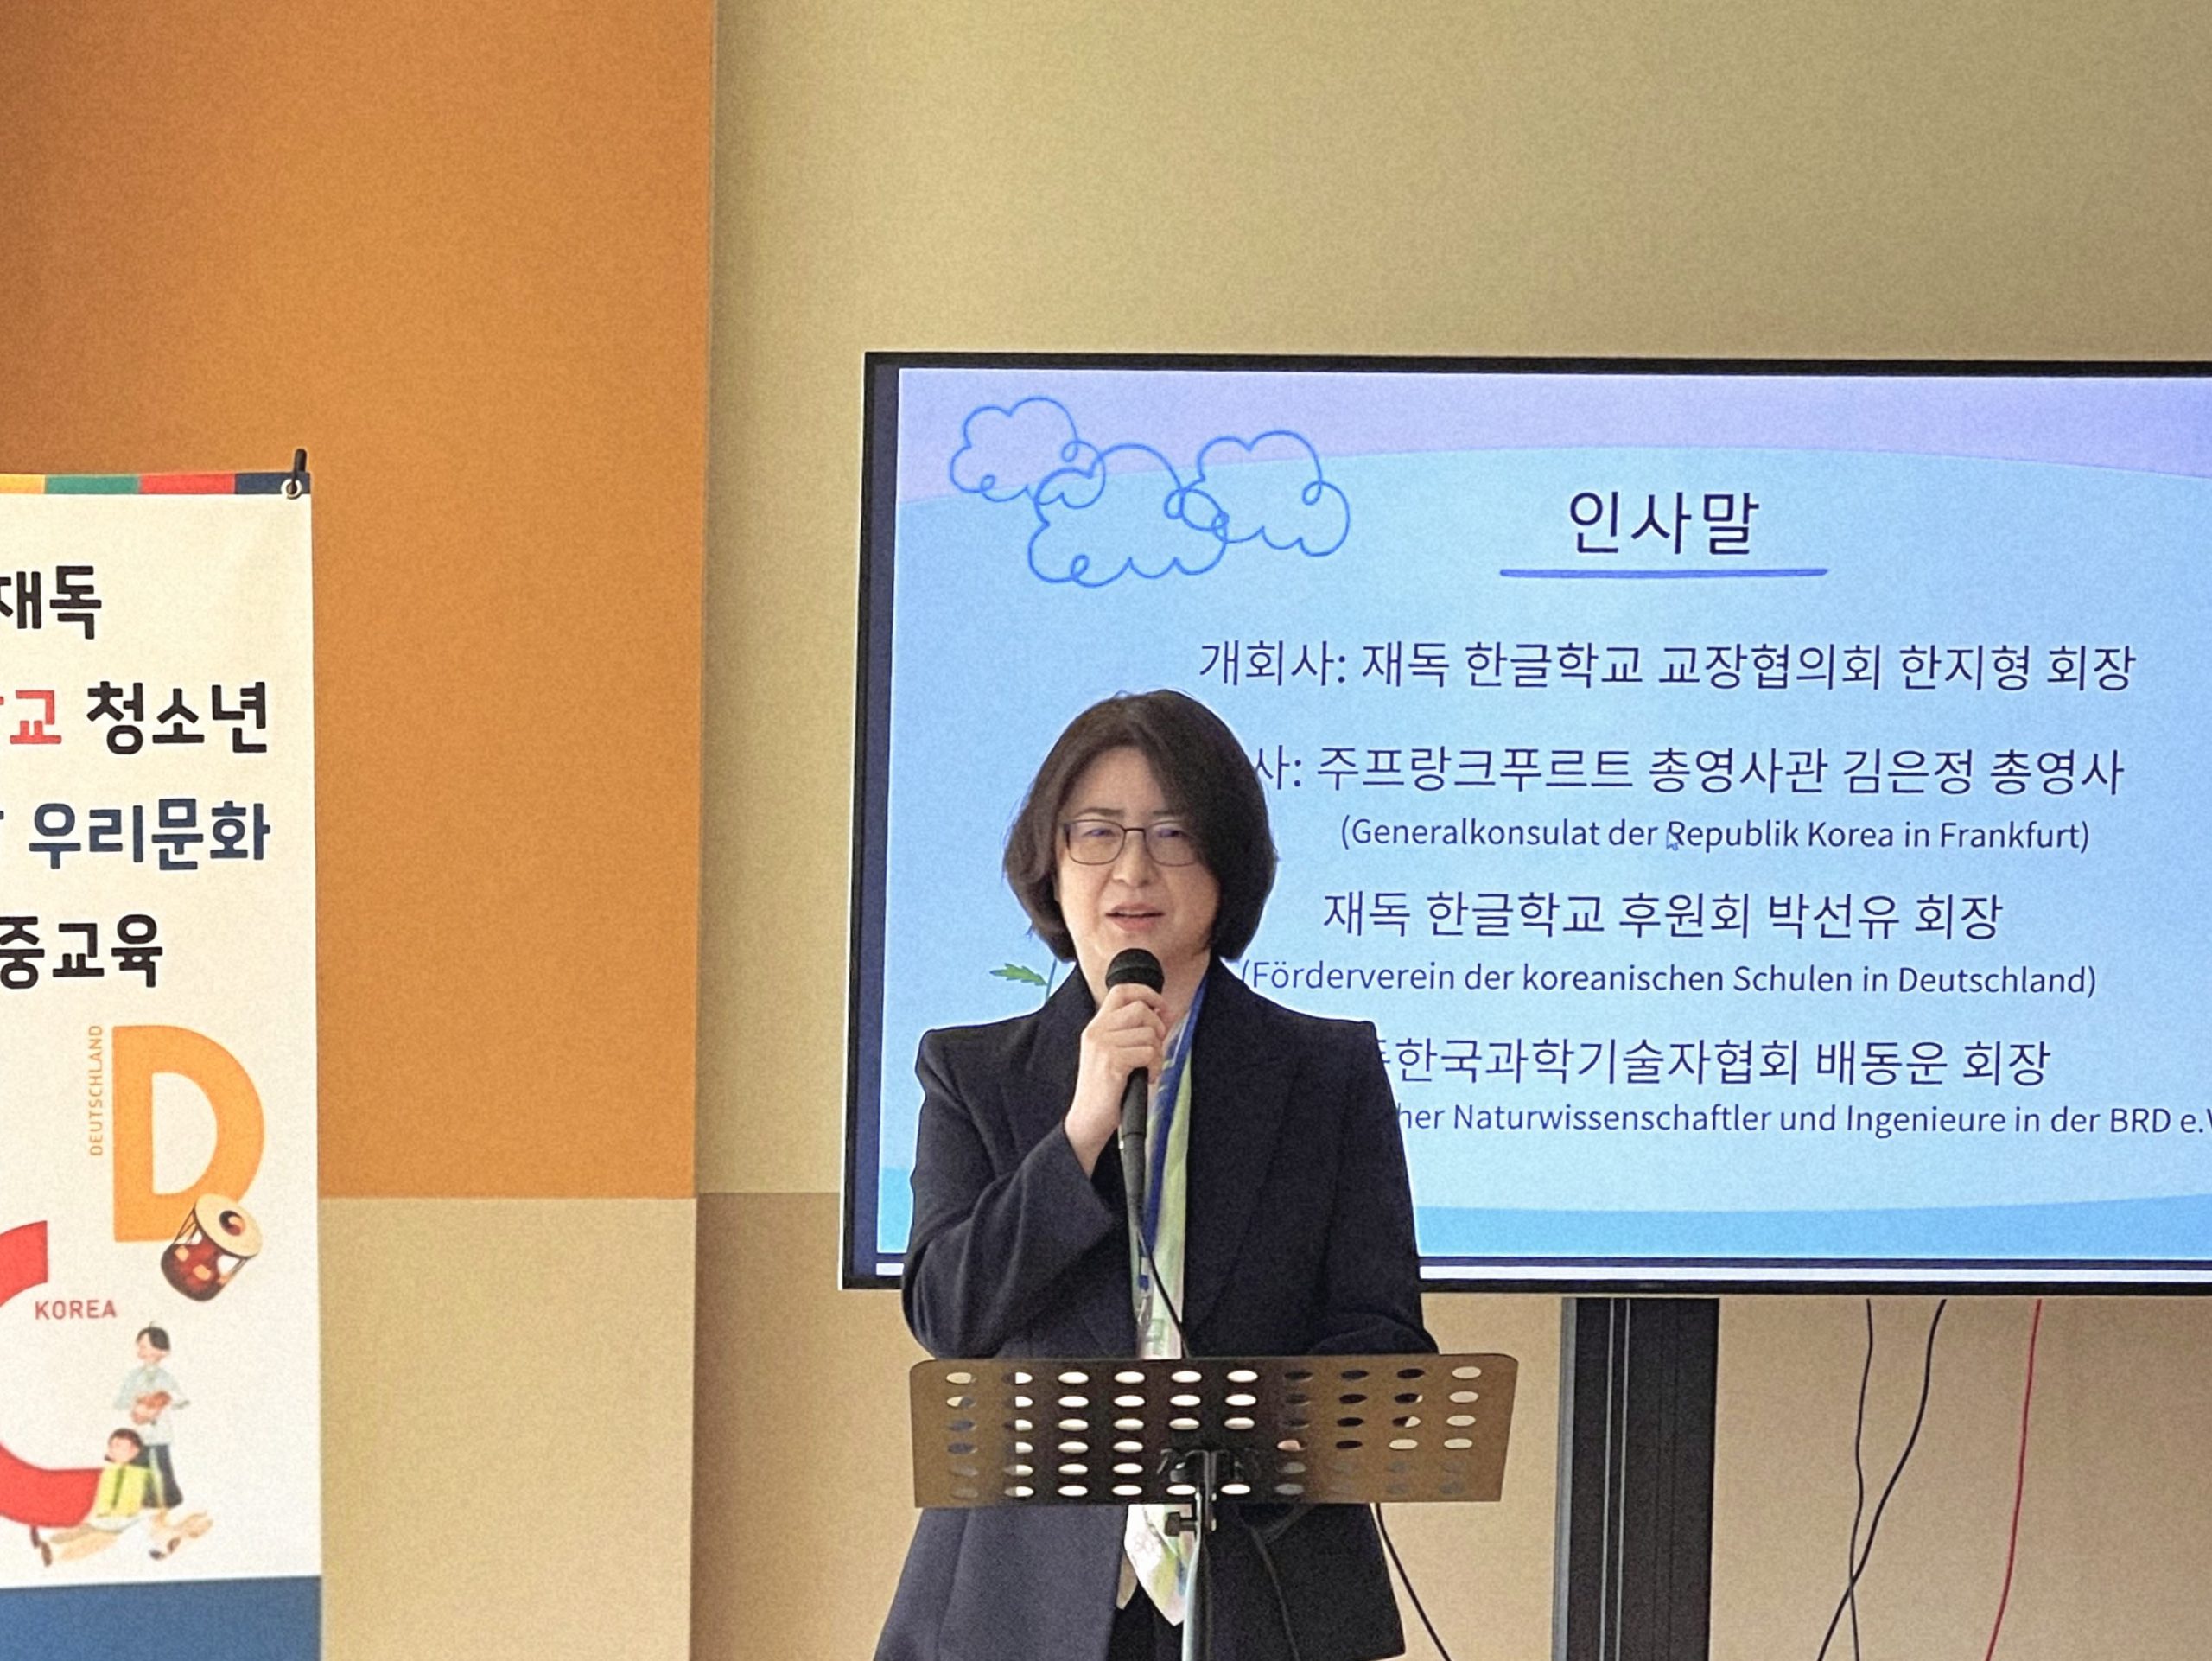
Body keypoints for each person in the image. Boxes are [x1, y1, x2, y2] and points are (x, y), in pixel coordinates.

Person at [876, 690, 1433, 1661]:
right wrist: (1081, 1128)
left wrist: (1267, 1441)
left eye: (1172, 834)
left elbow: (1381, 1333)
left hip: (1266, 1587)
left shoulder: (1325, 1072)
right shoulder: (972, 1072)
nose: (1132, 868)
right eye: (1097, 832)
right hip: (1024, 1602)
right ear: (1051, 862)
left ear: (1229, 864)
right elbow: (948, 1312)